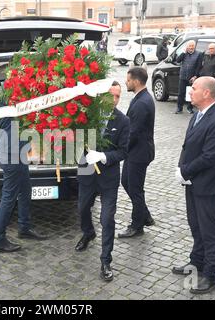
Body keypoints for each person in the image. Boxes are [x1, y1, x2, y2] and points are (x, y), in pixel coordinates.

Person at [173, 76, 215, 294]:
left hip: (208, 187)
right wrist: (182, 168)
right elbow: (188, 144)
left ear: (207, 93)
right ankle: (196, 262)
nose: (190, 91)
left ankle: (211, 275)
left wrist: (185, 170)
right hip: (193, 182)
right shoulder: (198, 114)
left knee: (209, 231)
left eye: (194, 88)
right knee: (195, 226)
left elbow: (210, 157)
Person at [75, 81, 130, 282]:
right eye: (111, 95)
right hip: (87, 172)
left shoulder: (123, 121)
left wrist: (103, 156)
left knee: (107, 218)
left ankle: (106, 260)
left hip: (108, 177)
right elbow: (76, 138)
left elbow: (123, 151)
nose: (114, 100)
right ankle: (88, 233)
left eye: (118, 96)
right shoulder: (89, 115)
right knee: (82, 208)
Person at [0, 113, 47, 253]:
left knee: (25, 191)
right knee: (8, 198)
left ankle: (24, 228)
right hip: (11, 155)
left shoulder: (15, 98)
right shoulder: (9, 98)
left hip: (18, 154)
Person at [118, 67, 155, 238]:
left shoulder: (142, 103)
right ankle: (145, 215)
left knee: (136, 189)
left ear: (136, 81)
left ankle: (137, 226)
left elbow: (134, 132)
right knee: (126, 182)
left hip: (138, 153)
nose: (126, 82)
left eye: (128, 79)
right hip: (135, 152)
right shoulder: (140, 98)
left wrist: (120, 149)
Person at [175, 40, 203, 114]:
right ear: (187, 46)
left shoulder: (198, 54)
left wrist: (195, 76)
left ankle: (190, 108)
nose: (191, 47)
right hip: (183, 76)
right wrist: (183, 52)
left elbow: (199, 66)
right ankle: (179, 108)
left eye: (192, 46)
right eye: (189, 46)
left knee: (191, 93)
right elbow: (178, 60)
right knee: (181, 93)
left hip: (192, 78)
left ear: (194, 46)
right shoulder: (184, 54)